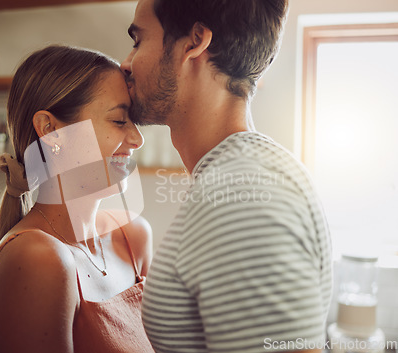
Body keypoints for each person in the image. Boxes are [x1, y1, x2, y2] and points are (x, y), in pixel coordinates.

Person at [121, 1, 332, 352]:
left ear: (194, 42)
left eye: (138, 40)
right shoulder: (243, 176)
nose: (127, 63)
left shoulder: (244, 196)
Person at [0, 45, 155, 353]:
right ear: (50, 131)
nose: (137, 139)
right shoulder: (37, 258)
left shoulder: (133, 238)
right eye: (118, 120)